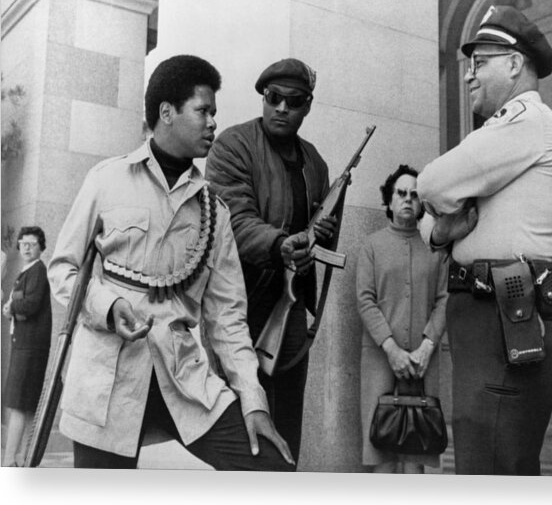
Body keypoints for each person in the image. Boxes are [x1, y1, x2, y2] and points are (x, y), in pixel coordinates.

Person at [47, 55, 294, 470]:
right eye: (203, 111)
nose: (213, 122)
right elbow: (63, 270)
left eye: (214, 112)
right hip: (107, 384)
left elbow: (228, 318)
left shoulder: (215, 211)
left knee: (271, 468)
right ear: (167, 113)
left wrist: (253, 400)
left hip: (182, 380)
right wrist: (107, 306)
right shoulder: (105, 180)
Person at [417, 5, 552, 475]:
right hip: (491, 316)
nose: (469, 76)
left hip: (505, 314)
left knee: (491, 468)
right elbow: (432, 220)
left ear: (514, 63)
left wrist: (440, 219)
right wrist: (443, 230)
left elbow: (429, 184)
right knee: (488, 460)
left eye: (480, 63)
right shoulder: (513, 129)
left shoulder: (528, 120)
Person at [206, 58, 336, 462]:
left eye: (292, 101)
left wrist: (321, 236)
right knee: (244, 432)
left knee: (287, 428)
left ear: (307, 106)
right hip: (241, 306)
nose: (281, 107)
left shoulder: (315, 163)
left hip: (291, 309)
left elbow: (317, 237)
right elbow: (233, 221)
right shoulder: (233, 145)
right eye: (273, 97)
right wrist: (280, 243)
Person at [356, 165, 448, 474]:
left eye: (414, 195)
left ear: (423, 203)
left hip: (424, 359)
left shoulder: (436, 249)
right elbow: (365, 300)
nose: (408, 199)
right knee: (382, 450)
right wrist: (392, 349)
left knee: (415, 452)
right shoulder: (371, 246)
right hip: (380, 358)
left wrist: (426, 347)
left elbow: (444, 299)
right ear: (389, 200)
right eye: (401, 193)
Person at [2, 226, 52, 466]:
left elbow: (30, 304)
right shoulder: (27, 271)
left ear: (41, 247)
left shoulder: (39, 271)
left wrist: (12, 307)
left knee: (19, 405)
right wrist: (14, 306)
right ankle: (22, 458)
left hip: (30, 348)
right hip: (25, 345)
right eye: (23, 243)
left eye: (32, 244)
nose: (27, 248)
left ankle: (9, 460)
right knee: (25, 404)